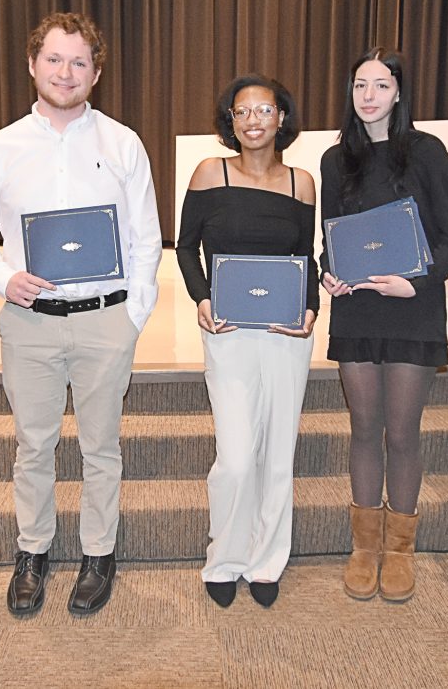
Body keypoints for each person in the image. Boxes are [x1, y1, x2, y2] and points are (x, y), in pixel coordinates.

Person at [0, 12, 161, 616]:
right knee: (32, 445)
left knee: (102, 448)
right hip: (29, 321)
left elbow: (147, 238)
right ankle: (34, 551)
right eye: (54, 58)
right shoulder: (1, 146)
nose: (65, 71)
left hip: (106, 320)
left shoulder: (122, 142)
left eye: (78, 61)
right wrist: (2, 277)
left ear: (95, 73)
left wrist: (134, 316)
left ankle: (99, 553)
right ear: (32, 64)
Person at [320, 48, 448, 602]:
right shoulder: (337, 159)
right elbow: (331, 240)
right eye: (360, 85)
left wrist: (417, 281)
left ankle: (400, 548)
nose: (369, 96)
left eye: (381, 86)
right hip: (358, 307)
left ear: (399, 92)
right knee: (363, 428)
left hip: (413, 304)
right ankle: (364, 547)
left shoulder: (428, 152)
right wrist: (329, 275)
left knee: (402, 431)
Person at [177, 75, 318, 608]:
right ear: (229, 121)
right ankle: (225, 557)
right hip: (229, 330)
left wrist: (310, 310)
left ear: (282, 117)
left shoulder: (300, 183)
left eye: (265, 110)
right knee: (236, 457)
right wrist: (202, 298)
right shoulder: (209, 173)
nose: (254, 120)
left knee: (277, 456)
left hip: (286, 333)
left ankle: (265, 562)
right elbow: (187, 248)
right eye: (243, 112)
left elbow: (307, 259)